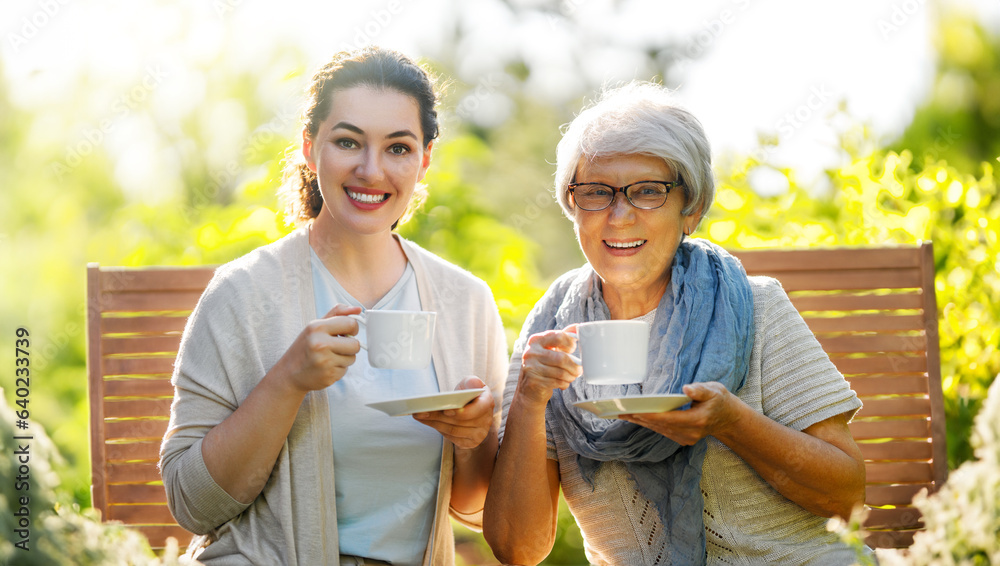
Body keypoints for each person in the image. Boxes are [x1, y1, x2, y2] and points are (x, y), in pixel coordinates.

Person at [483, 82, 871, 565]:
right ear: (572, 205)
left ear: (691, 209)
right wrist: (529, 399)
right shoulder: (553, 329)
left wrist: (731, 423)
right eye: (596, 193)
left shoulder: (755, 305)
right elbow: (516, 549)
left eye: (647, 192)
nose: (619, 216)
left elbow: (848, 500)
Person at [160, 46, 508, 566]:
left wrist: (474, 438)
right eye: (348, 142)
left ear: (425, 158)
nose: (371, 170)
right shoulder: (243, 293)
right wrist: (287, 382)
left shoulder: (466, 302)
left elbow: (474, 504)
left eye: (398, 148)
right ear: (309, 147)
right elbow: (192, 505)